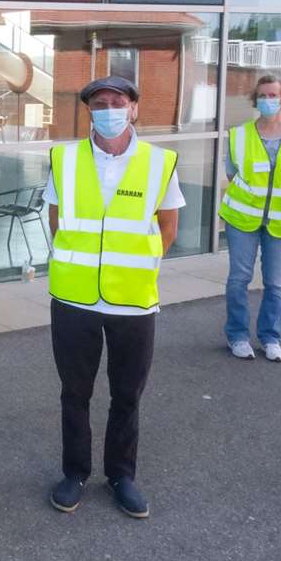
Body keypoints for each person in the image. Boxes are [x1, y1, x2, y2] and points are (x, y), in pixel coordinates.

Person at [43, 76, 183, 520]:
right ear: (89, 112)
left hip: (133, 300)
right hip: (74, 298)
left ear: (134, 108)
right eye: (98, 104)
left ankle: (122, 476)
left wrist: (139, 266)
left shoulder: (159, 161)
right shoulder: (64, 158)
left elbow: (168, 226)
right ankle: (74, 473)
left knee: (127, 393)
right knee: (74, 392)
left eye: (116, 102)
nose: (107, 109)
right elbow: (56, 217)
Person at [220, 73, 281, 363]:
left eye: (273, 95)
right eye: (263, 95)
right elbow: (231, 172)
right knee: (239, 279)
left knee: (276, 283)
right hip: (242, 218)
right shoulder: (239, 134)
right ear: (255, 99)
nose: (268, 100)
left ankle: (271, 337)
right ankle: (237, 336)